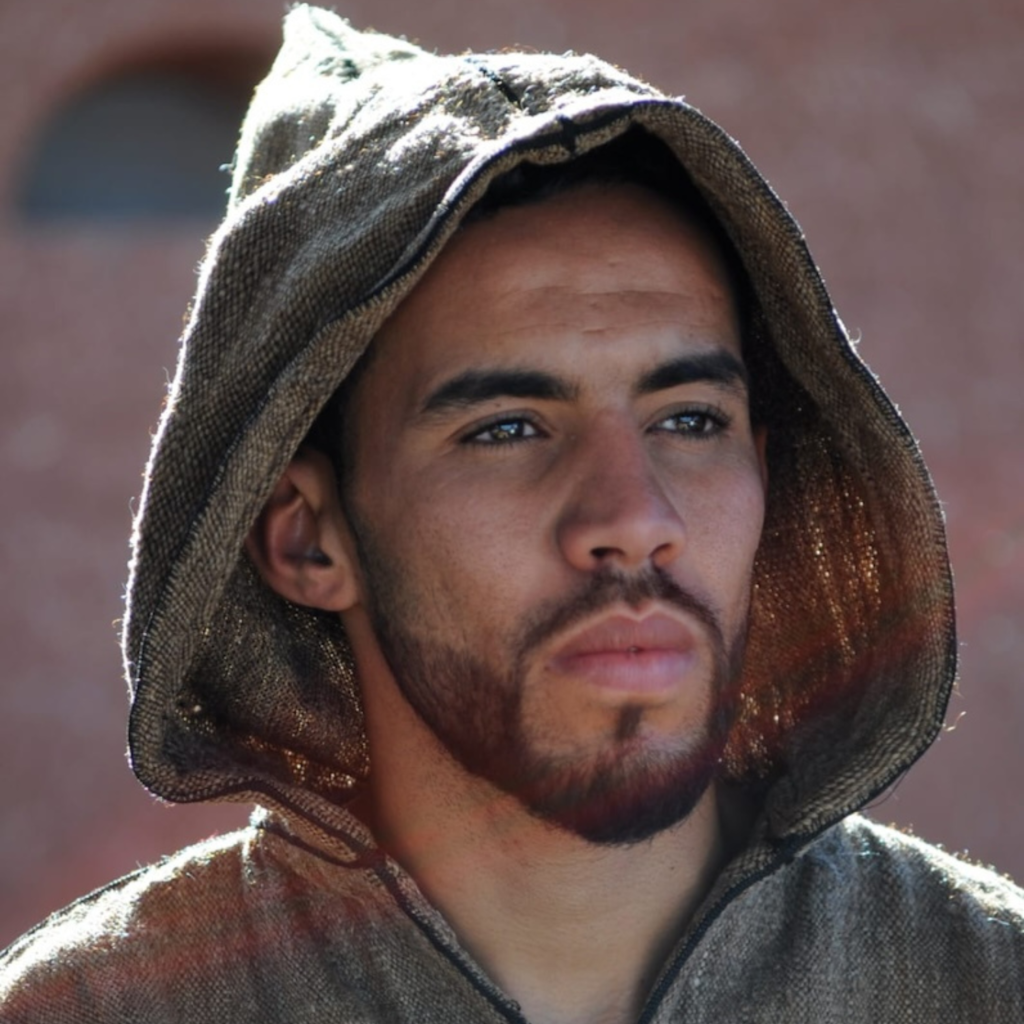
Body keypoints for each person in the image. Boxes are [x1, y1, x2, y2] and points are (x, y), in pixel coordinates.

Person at [2, 5, 1022, 1022]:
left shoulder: (984, 983)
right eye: (507, 429)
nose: (632, 516)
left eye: (689, 418)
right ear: (307, 534)